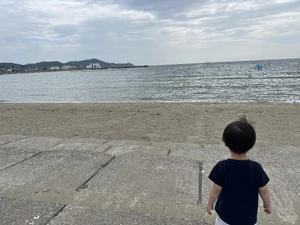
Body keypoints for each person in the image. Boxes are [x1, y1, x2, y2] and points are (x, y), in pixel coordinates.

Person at [206, 116, 271, 225]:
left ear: (226, 143)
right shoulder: (256, 168)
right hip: (248, 217)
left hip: (225, 216)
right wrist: (267, 204)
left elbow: (216, 188)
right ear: (252, 144)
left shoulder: (222, 167)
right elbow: (263, 189)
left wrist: (210, 203)